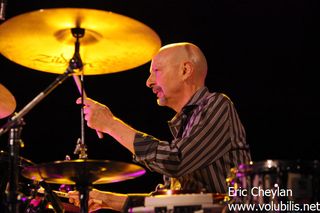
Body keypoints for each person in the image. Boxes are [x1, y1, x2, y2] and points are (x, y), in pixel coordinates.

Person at [68, 42, 251, 212]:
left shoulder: (218, 105)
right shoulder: (185, 126)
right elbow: (164, 203)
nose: (148, 82)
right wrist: (103, 198)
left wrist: (111, 124)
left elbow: (175, 160)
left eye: (156, 70)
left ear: (185, 70)